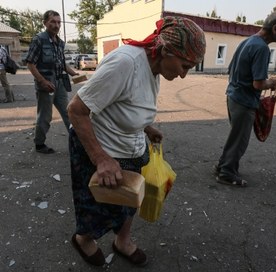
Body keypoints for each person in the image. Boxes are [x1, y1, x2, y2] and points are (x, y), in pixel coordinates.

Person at [67, 16, 206, 267]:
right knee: (97, 207)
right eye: (185, 66)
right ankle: (83, 239)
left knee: (130, 202)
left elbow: (126, 104)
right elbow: (76, 110)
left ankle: (122, 241)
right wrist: (101, 159)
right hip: (102, 148)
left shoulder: (154, 66)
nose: (184, 75)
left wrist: (146, 127)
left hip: (131, 148)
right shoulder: (125, 63)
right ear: (164, 51)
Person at [214, 9, 276, 187]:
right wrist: (271, 83)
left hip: (233, 96)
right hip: (244, 101)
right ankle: (226, 174)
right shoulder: (262, 48)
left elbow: (232, 70)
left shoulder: (248, 41)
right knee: (239, 141)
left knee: (234, 137)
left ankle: (222, 166)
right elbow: (258, 84)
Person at [25, 10, 79, 154]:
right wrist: (42, 81)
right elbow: (30, 64)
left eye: (58, 22)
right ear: (45, 23)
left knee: (69, 112)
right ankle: (39, 144)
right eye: (53, 22)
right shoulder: (39, 40)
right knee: (45, 116)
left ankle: (77, 142)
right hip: (46, 86)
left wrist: (74, 73)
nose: (56, 25)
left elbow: (61, 63)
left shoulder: (60, 43)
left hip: (60, 83)